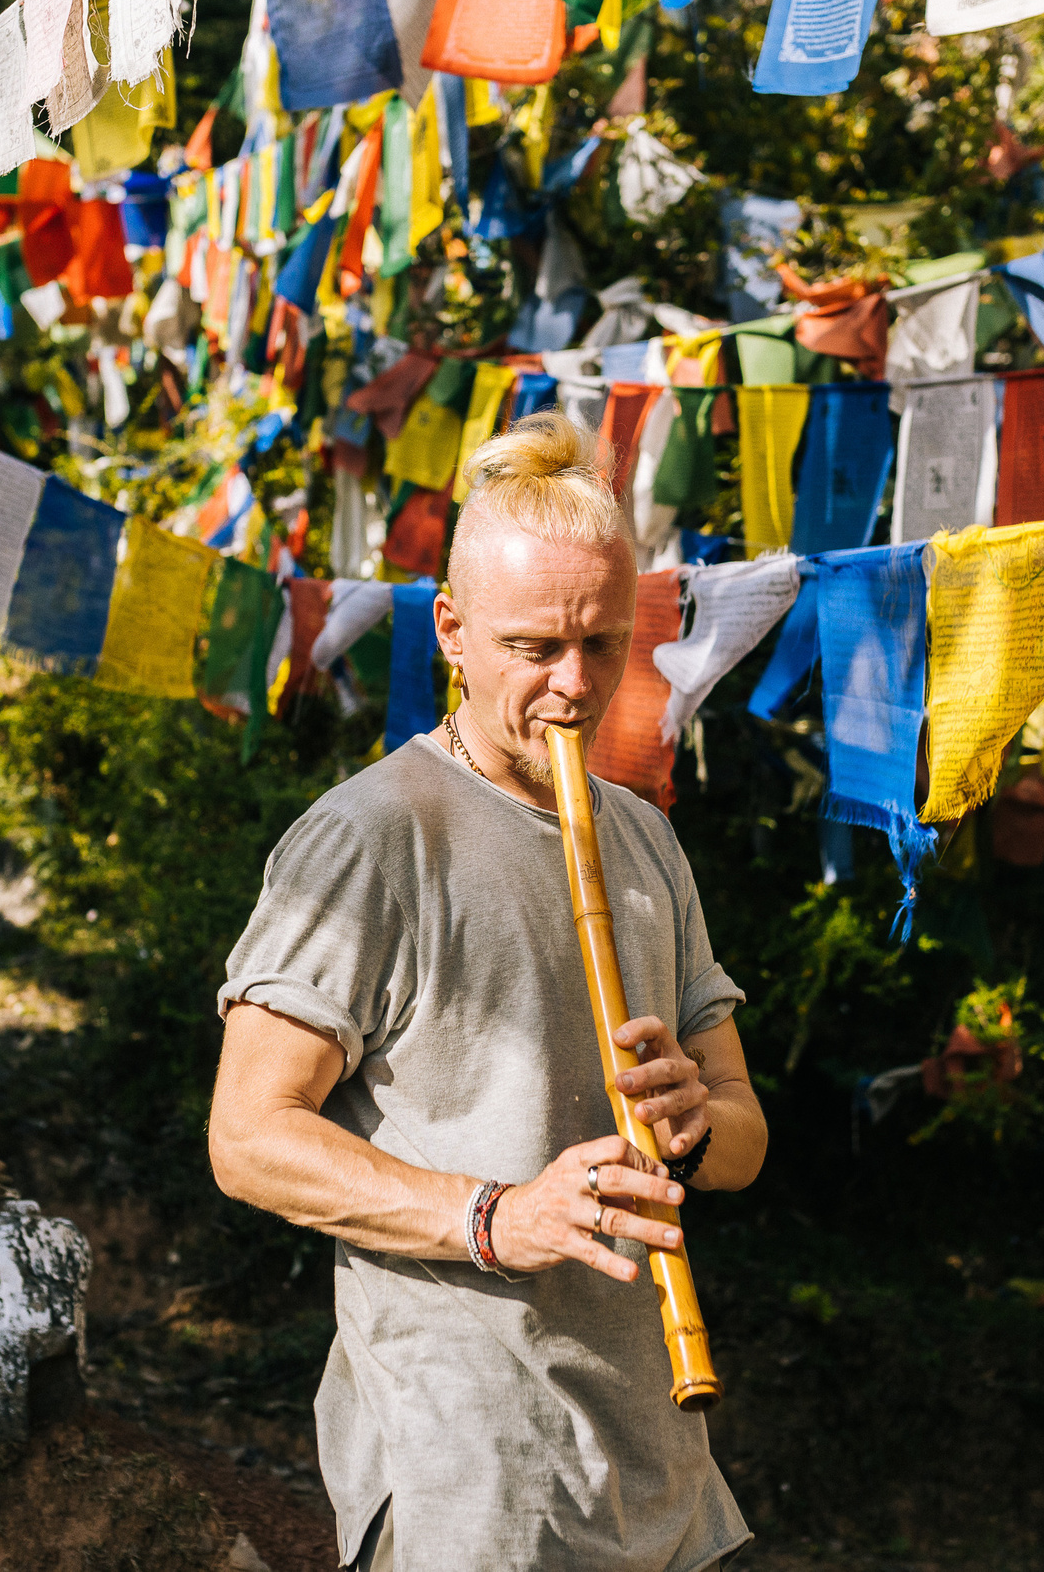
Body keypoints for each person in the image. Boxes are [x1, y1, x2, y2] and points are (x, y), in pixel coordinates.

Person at [208, 416, 768, 1571]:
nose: (574, 686)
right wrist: (493, 1217)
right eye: (533, 648)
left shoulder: (647, 840)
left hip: (657, 1455)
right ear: (453, 632)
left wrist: (698, 1124)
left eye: (602, 647)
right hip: (471, 1471)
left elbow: (743, 1137)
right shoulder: (369, 839)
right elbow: (248, 1137)